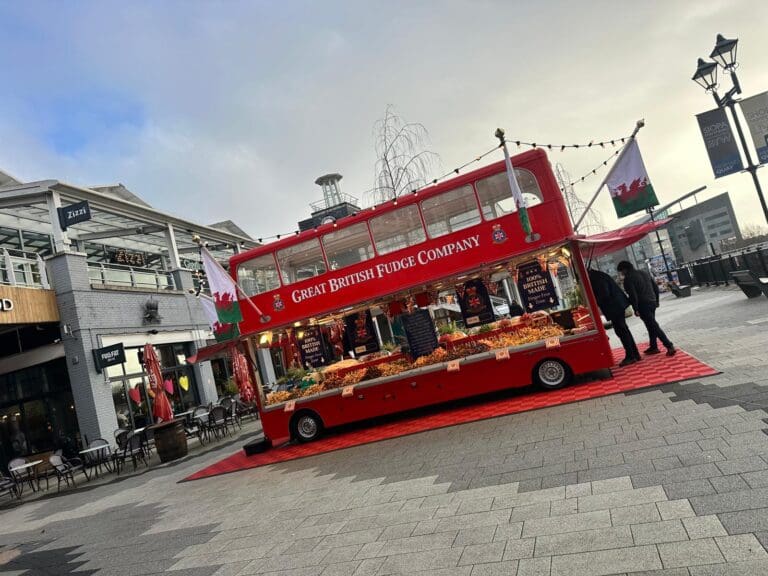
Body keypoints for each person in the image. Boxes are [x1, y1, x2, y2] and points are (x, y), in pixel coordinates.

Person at [617, 260, 676, 357]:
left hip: (643, 304)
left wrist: (635, 308)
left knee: (653, 325)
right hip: (652, 301)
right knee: (650, 325)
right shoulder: (644, 273)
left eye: (621, 272)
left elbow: (633, 294)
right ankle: (653, 346)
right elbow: (655, 287)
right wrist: (657, 301)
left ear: (624, 269)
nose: (621, 274)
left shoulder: (629, 278)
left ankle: (669, 345)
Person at [588, 268, 641, 367]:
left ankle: (631, 356)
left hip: (615, 306)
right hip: (617, 305)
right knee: (624, 330)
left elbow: (605, 293)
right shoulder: (599, 275)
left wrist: (593, 302)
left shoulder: (597, 278)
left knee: (621, 330)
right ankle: (635, 354)